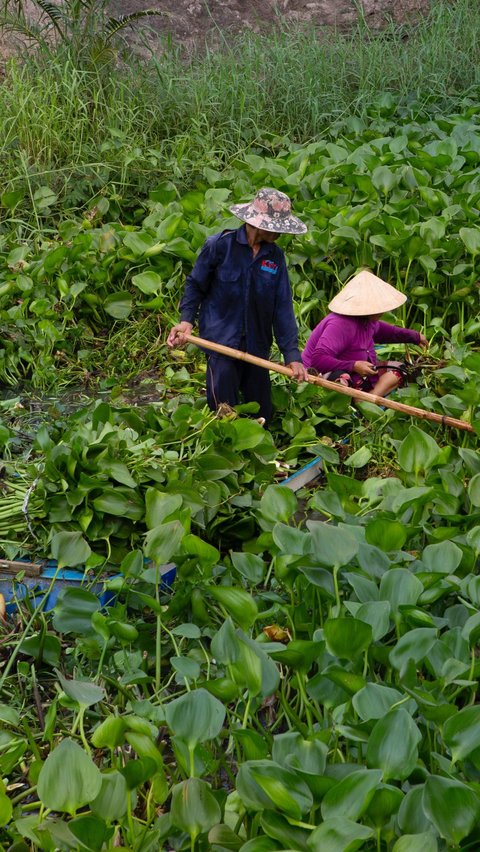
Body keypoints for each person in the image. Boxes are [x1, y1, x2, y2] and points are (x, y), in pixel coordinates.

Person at [167, 187, 308, 425]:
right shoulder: (220, 246)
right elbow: (195, 285)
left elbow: (282, 306)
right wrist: (186, 321)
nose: (280, 234)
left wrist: (292, 355)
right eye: (276, 228)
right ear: (258, 224)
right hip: (220, 341)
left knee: (263, 412)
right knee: (224, 409)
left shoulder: (275, 257)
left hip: (257, 345)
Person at [302, 270, 428, 398]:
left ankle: (369, 397)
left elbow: (387, 332)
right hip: (325, 374)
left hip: (360, 375)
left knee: (402, 369)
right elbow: (318, 359)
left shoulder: (368, 320)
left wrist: (415, 337)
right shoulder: (340, 324)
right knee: (341, 380)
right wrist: (354, 365)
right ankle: (364, 400)